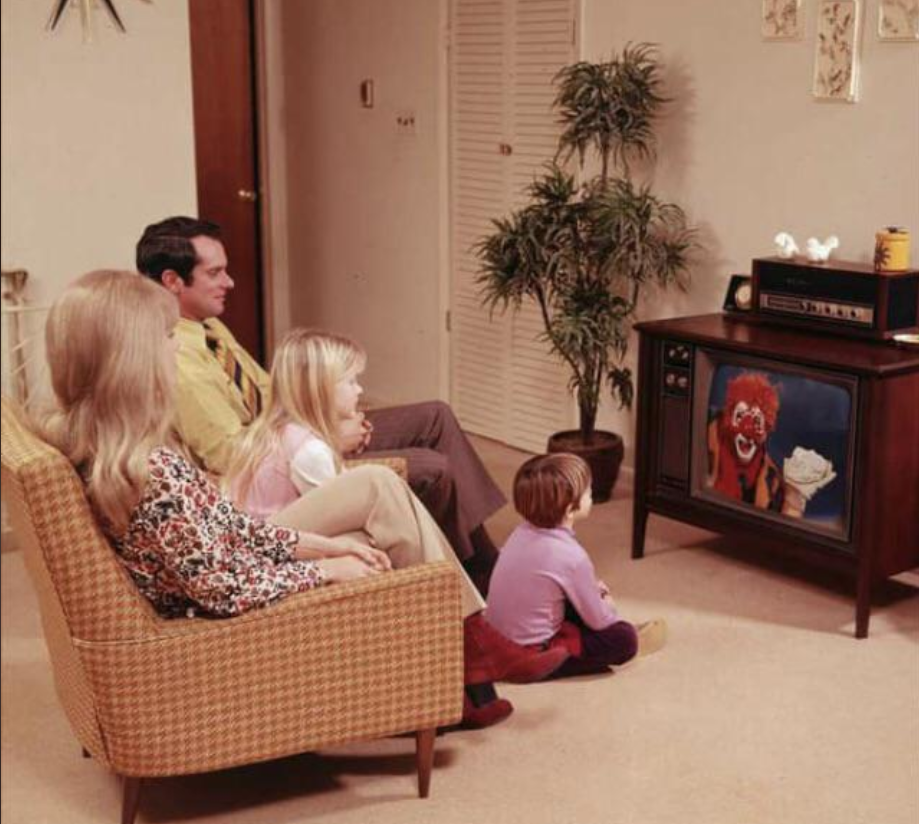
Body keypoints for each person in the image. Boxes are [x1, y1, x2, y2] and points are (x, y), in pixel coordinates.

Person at [39, 270, 567, 728]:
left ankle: (464, 664)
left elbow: (223, 526)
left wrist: (311, 544)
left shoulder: (114, 447)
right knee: (379, 505)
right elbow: (220, 586)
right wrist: (323, 571)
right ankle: (473, 652)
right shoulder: (149, 468)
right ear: (130, 360)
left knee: (372, 520)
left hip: (233, 564)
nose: (173, 349)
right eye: (163, 338)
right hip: (218, 617)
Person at [135, 216, 504, 591]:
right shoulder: (178, 360)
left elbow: (274, 392)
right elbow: (230, 455)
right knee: (433, 468)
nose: (229, 282)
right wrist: (326, 438)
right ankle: (474, 579)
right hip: (278, 457)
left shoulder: (209, 327)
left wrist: (328, 419)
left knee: (434, 416)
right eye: (215, 273)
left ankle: (485, 565)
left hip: (293, 429)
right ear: (172, 281)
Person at [486, 454, 667, 678]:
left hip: (498, 641)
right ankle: (631, 639)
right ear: (570, 508)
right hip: (532, 653)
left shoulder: (519, 532)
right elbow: (600, 620)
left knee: (568, 595)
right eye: (588, 490)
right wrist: (605, 600)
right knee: (622, 639)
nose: (591, 492)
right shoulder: (572, 557)